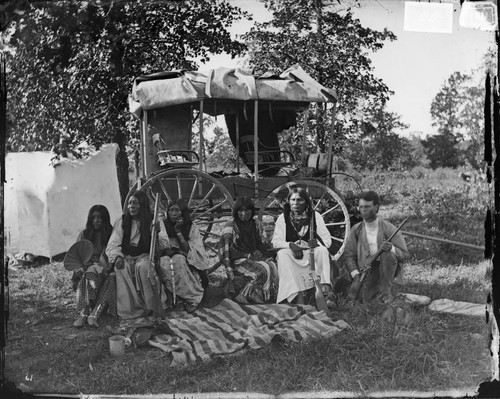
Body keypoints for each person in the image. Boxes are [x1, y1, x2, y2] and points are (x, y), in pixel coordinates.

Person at [106, 190, 168, 320]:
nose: (131, 206)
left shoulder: (154, 220)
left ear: (142, 204)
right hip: (126, 256)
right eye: (129, 203)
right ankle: (132, 310)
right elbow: (113, 244)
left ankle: (153, 307)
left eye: (135, 203)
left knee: (144, 268)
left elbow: (164, 244)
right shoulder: (122, 221)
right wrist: (117, 256)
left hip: (145, 256)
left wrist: (155, 234)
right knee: (121, 267)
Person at [343, 190, 410, 304]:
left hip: (386, 269)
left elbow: (405, 255)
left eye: (367, 206)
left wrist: (392, 249)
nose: (363, 210)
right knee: (364, 299)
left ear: (376, 207)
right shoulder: (356, 229)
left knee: (387, 254)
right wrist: (356, 275)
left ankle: (386, 293)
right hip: (365, 271)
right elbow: (349, 255)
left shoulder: (389, 228)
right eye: (361, 207)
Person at [272, 186, 332, 305]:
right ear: (289, 202)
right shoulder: (283, 218)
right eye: (293, 200)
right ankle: (295, 295)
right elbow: (276, 242)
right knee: (282, 254)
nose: (296, 203)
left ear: (306, 202)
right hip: (293, 254)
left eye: (300, 200)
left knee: (323, 251)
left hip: (311, 252)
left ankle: (326, 293)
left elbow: (327, 240)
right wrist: (291, 245)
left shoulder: (315, 216)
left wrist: (317, 243)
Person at [218, 197, 278, 305]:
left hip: (252, 257)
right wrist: (245, 256)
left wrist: (261, 252)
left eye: (247, 210)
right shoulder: (231, 226)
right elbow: (227, 250)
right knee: (261, 271)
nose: (244, 214)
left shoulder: (256, 223)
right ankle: (243, 294)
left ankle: (255, 294)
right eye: (241, 211)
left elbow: (261, 243)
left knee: (272, 266)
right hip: (237, 259)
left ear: (252, 211)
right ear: (236, 211)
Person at [159, 199, 209, 312]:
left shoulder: (190, 226)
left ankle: (187, 298)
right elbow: (160, 245)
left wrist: (178, 231)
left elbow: (190, 249)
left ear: (183, 212)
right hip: (165, 254)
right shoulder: (163, 224)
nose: (173, 213)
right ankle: (171, 298)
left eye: (177, 210)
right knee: (164, 263)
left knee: (179, 260)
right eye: (171, 210)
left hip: (185, 256)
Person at [72, 205, 116, 328]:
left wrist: (106, 266)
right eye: (94, 217)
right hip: (87, 268)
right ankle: (84, 313)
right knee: (89, 273)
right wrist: (82, 266)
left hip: (106, 267)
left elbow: (114, 252)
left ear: (105, 219)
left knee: (112, 277)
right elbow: (76, 256)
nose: (96, 220)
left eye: (100, 217)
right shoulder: (84, 234)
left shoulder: (111, 234)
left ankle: (94, 314)